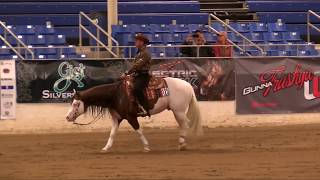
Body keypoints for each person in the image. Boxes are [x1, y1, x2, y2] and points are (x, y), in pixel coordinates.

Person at [124, 34, 152, 116]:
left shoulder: (145, 53)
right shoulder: (139, 53)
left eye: (138, 41)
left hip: (143, 76)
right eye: (136, 40)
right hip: (137, 75)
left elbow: (136, 66)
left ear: (142, 43)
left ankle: (145, 109)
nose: (135, 42)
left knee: (137, 89)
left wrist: (127, 73)